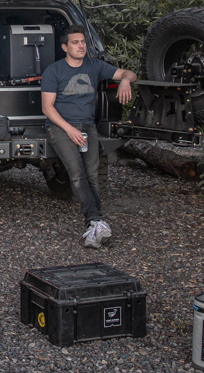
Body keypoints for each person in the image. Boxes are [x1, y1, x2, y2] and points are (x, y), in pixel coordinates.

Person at [40, 27, 136, 248]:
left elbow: (129, 73)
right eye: (75, 42)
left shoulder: (95, 65)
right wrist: (69, 130)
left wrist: (125, 81)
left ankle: (95, 226)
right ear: (65, 47)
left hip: (87, 126)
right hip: (60, 127)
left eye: (83, 42)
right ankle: (96, 221)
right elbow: (47, 108)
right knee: (76, 173)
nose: (81, 46)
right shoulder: (53, 71)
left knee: (92, 175)